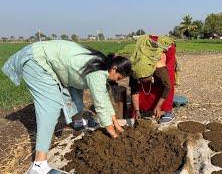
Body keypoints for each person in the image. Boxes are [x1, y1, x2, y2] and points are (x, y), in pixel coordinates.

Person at [1, 40, 131, 174]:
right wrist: (112, 132)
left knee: (76, 89)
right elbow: (100, 104)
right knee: (50, 106)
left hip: (49, 60)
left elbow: (104, 97)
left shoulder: (102, 65)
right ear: (114, 69)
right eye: (119, 77)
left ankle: (78, 123)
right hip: (36, 61)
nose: (118, 81)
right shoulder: (98, 72)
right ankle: (39, 166)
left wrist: (115, 122)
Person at [129, 35, 176, 123]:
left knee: (167, 81)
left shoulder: (159, 67)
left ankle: (166, 111)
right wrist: (137, 110)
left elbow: (167, 87)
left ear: (152, 74)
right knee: (144, 89)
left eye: (147, 79)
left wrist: (159, 106)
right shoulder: (134, 69)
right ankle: (145, 108)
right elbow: (134, 91)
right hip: (144, 50)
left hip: (166, 50)